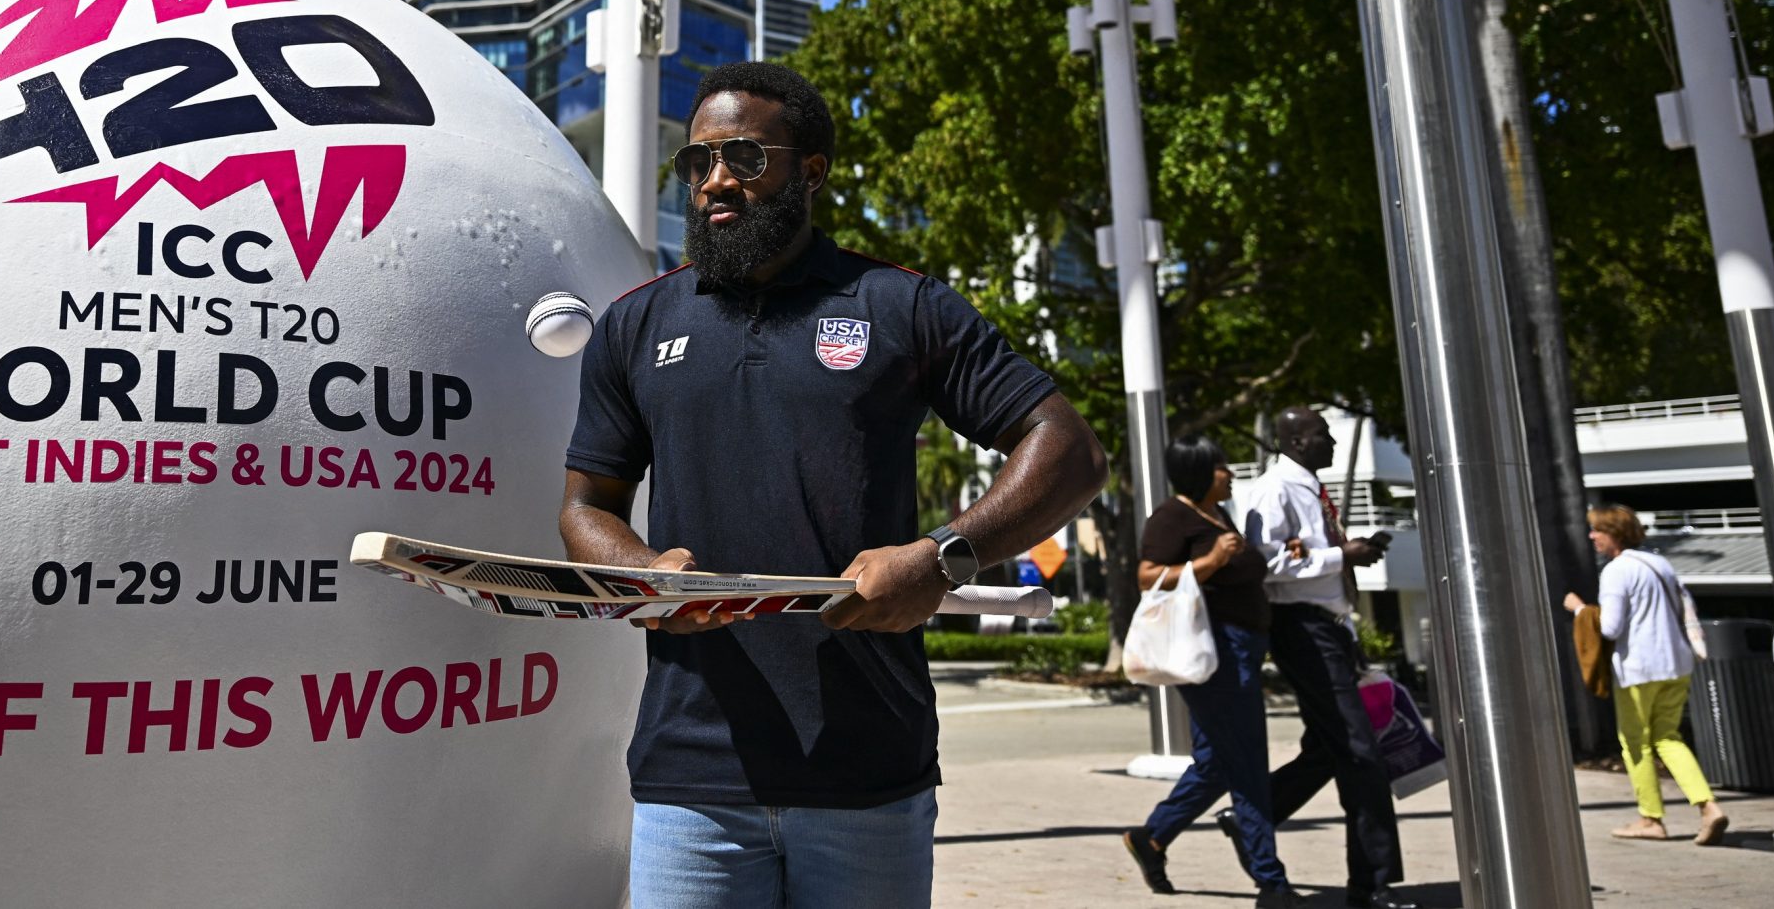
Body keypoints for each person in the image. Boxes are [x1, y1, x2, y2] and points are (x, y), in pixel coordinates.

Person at [560, 61, 1108, 909]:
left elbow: (1067, 448)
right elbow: (586, 507)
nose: (714, 181)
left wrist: (941, 558)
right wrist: (643, 570)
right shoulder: (636, 323)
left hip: (870, 771)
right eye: (697, 163)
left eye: (744, 157)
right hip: (692, 772)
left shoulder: (899, 305)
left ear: (810, 170)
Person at [1231, 407, 1409, 909]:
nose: (1330, 441)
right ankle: (1371, 885)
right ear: (1295, 440)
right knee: (1360, 752)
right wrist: (1340, 556)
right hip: (1302, 629)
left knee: (1331, 749)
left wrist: (1349, 552)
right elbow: (1266, 563)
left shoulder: (1310, 486)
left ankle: (1251, 817)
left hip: (1331, 627)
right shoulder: (1275, 490)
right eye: (1321, 434)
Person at [1120, 436, 1301, 906]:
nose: (1230, 473)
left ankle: (1151, 837)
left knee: (1218, 762)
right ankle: (1271, 882)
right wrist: (1212, 561)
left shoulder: (1215, 515)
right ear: (1200, 471)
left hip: (1239, 650)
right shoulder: (1172, 516)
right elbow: (1146, 576)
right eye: (1221, 466)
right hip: (1215, 653)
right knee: (1246, 763)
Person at [1562, 503, 1729, 844]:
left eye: (1598, 530)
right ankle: (1708, 806)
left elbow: (1610, 627)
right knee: (1668, 737)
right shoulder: (1660, 563)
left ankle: (1651, 818)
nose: (1592, 536)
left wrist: (1579, 609)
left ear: (1614, 534)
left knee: (1635, 744)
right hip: (1677, 663)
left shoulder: (1616, 570)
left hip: (1638, 667)